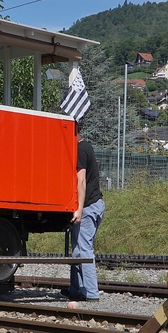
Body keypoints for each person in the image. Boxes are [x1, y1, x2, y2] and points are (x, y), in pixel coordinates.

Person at [64, 120, 104, 301]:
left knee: (84, 249)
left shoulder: (80, 149)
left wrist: (79, 209)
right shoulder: (87, 147)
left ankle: (91, 292)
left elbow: (81, 181)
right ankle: (75, 288)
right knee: (78, 250)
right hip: (95, 204)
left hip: (88, 206)